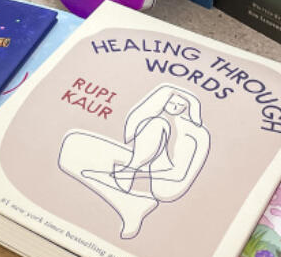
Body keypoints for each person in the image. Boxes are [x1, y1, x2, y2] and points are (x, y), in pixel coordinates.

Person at [59, 85, 211, 239]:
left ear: (189, 108)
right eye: (171, 103)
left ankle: (124, 183)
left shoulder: (193, 133)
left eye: (180, 105)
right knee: (74, 142)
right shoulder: (164, 119)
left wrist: (128, 174)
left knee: (157, 124)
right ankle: (130, 199)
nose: (174, 107)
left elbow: (177, 175)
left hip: (167, 182)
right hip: (146, 164)